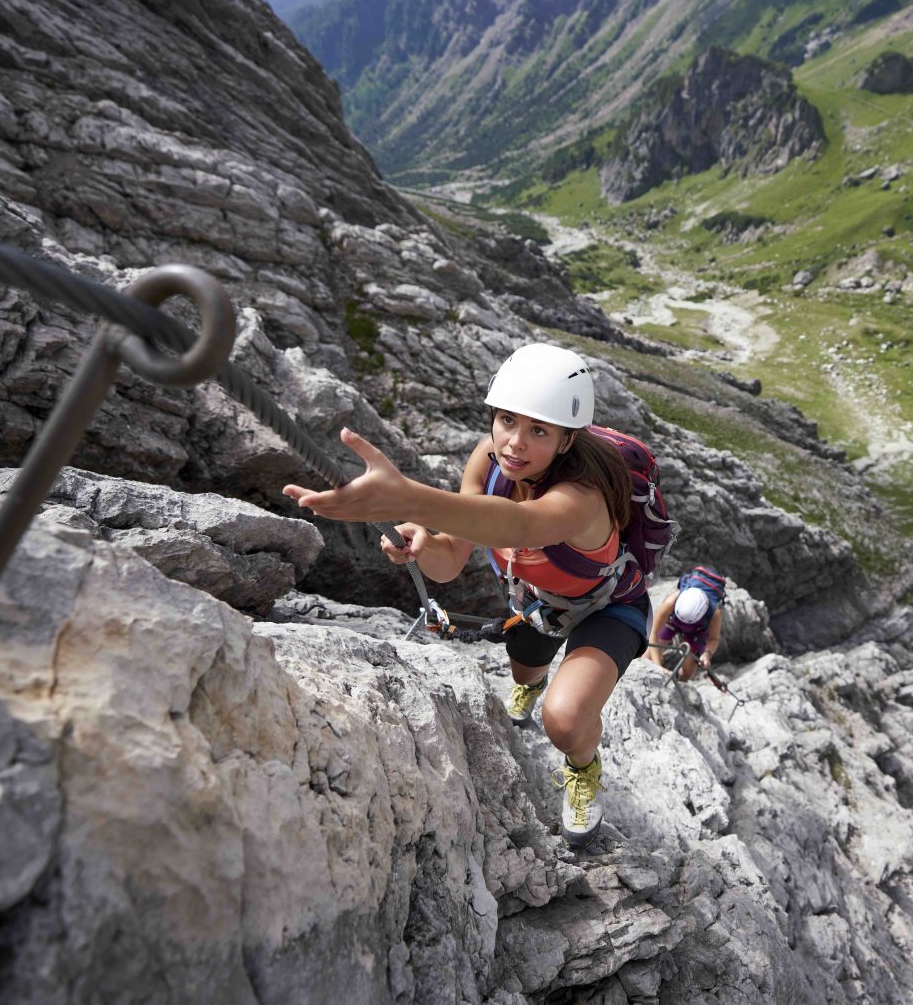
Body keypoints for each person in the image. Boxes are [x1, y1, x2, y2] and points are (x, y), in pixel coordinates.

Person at [282, 342, 651, 847]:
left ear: (568, 441)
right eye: (505, 421)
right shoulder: (492, 462)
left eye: (538, 430)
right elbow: (450, 561)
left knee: (563, 720)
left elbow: (519, 525)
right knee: (525, 669)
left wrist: (407, 497)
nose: (514, 443)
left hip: (608, 608)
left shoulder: (582, 498)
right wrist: (422, 542)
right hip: (537, 604)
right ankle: (530, 683)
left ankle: (583, 770)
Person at [645, 566, 724, 682]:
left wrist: (707, 654)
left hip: (698, 630)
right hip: (673, 619)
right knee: (647, 657)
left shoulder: (714, 613)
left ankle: (679, 683)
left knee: (688, 672)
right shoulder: (671, 601)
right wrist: (658, 667)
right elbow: (654, 633)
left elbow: (714, 639)